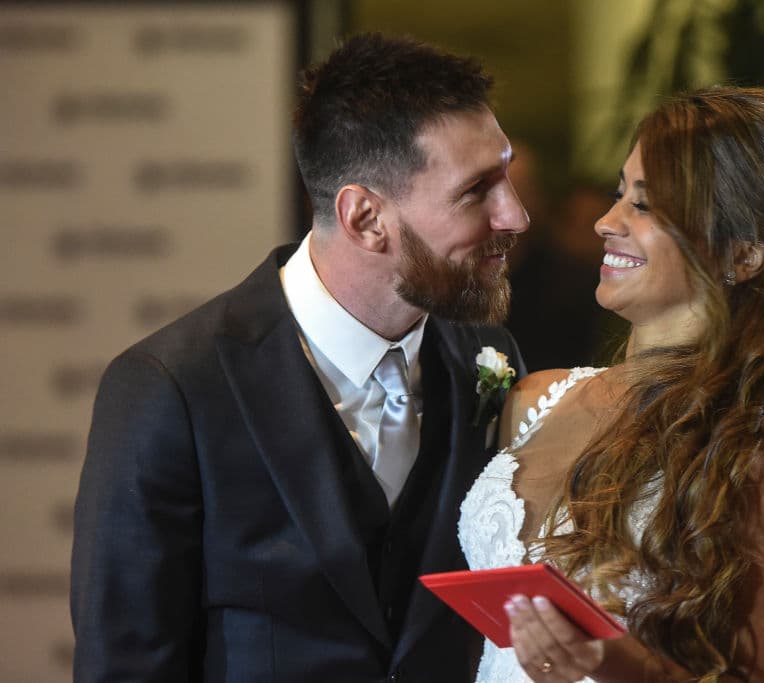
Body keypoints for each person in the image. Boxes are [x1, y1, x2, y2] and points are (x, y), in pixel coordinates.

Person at [71, 33, 529, 682]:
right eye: (478, 189)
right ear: (366, 217)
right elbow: (126, 663)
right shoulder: (173, 388)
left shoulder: (490, 356)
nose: (516, 214)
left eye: (505, 176)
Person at [458, 86, 764, 682]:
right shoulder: (534, 399)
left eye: (645, 207)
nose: (605, 222)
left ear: (743, 254)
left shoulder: (758, 437)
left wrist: (608, 658)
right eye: (620, 194)